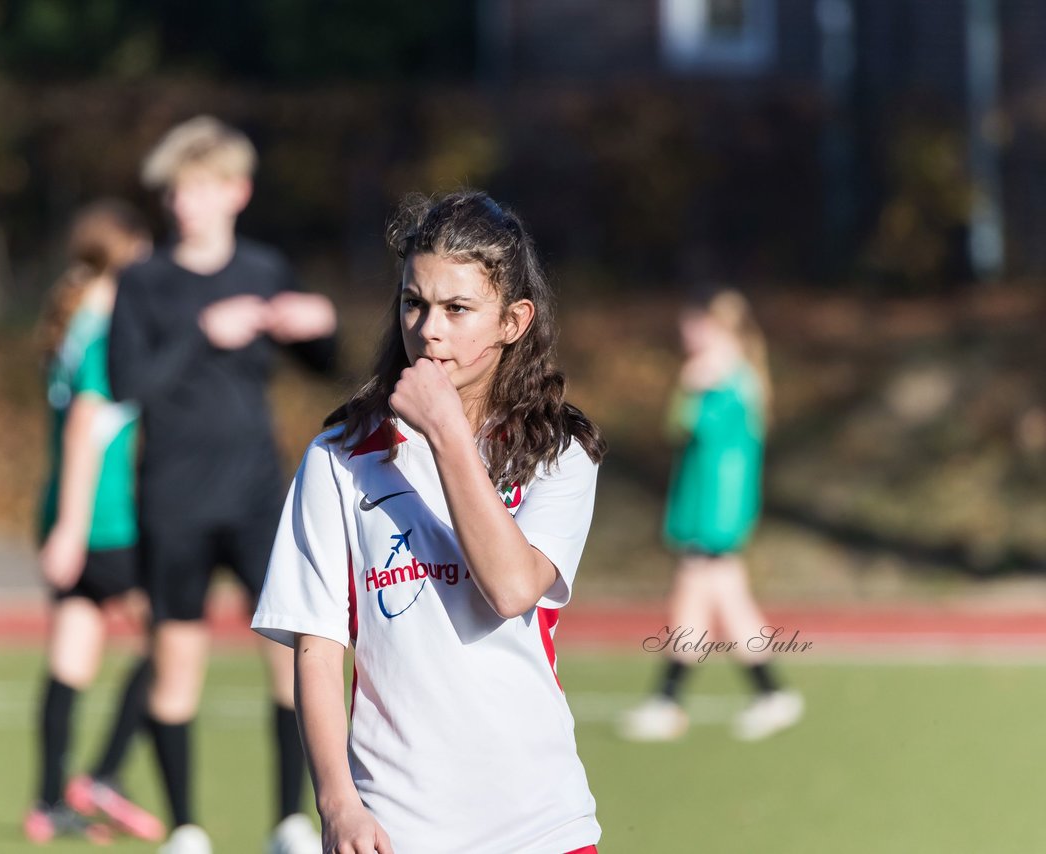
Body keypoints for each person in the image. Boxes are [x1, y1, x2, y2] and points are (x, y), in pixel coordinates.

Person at [252, 190, 606, 854]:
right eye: (414, 303)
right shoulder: (340, 458)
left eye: (458, 309)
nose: (430, 329)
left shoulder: (558, 451)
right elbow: (318, 649)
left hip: (541, 826)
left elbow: (510, 588)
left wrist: (445, 431)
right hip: (395, 829)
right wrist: (337, 805)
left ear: (514, 320)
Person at [108, 117, 338, 854]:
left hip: (257, 497)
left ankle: (290, 820)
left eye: (200, 188)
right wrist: (202, 332)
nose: (184, 203)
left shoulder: (267, 269)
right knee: (175, 667)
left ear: (236, 192)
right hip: (173, 500)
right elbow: (125, 383)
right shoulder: (142, 282)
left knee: (293, 659)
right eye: (175, 190)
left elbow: (321, 366)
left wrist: (319, 326)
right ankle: (186, 828)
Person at [26, 200, 166, 843]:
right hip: (103, 522)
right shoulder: (110, 330)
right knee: (169, 642)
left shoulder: (74, 322)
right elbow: (87, 424)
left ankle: (50, 802)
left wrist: (60, 525)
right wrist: (75, 531)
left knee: (72, 658)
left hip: (64, 512)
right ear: (127, 254)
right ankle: (104, 775)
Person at [620, 288, 803, 742]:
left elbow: (686, 426)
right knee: (706, 604)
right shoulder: (730, 377)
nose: (687, 334)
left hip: (716, 511)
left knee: (704, 600)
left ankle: (677, 701)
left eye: (696, 325)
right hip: (707, 507)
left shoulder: (730, 380)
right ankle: (749, 694)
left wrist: (691, 385)